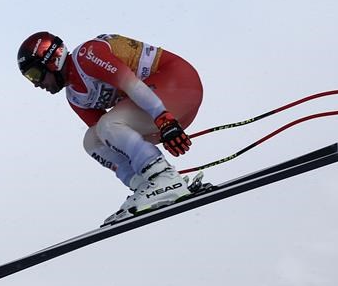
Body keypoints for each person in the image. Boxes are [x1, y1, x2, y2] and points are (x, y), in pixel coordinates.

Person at [17, 31, 206, 225]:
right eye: (30, 79)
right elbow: (113, 142)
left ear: (51, 60)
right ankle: (147, 185)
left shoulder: (87, 55)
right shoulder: (75, 97)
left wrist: (164, 120)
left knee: (108, 124)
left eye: (35, 74)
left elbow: (132, 86)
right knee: (92, 140)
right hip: (158, 106)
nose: (36, 84)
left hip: (178, 84)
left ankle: (163, 177)